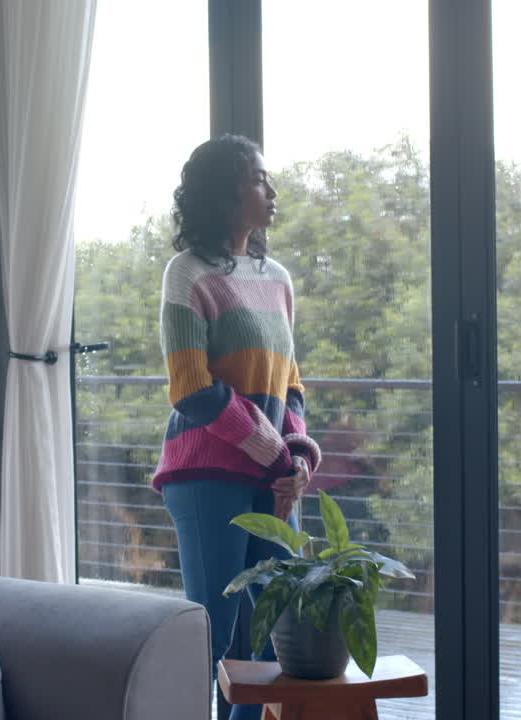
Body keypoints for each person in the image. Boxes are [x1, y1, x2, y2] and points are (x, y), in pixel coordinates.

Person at [152, 134, 322, 720]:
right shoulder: (188, 273)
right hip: (205, 475)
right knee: (212, 633)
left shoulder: (276, 278)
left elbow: (290, 383)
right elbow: (191, 389)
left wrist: (296, 454)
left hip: (272, 475)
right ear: (226, 193)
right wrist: (276, 451)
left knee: (278, 630)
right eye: (257, 179)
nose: (271, 191)